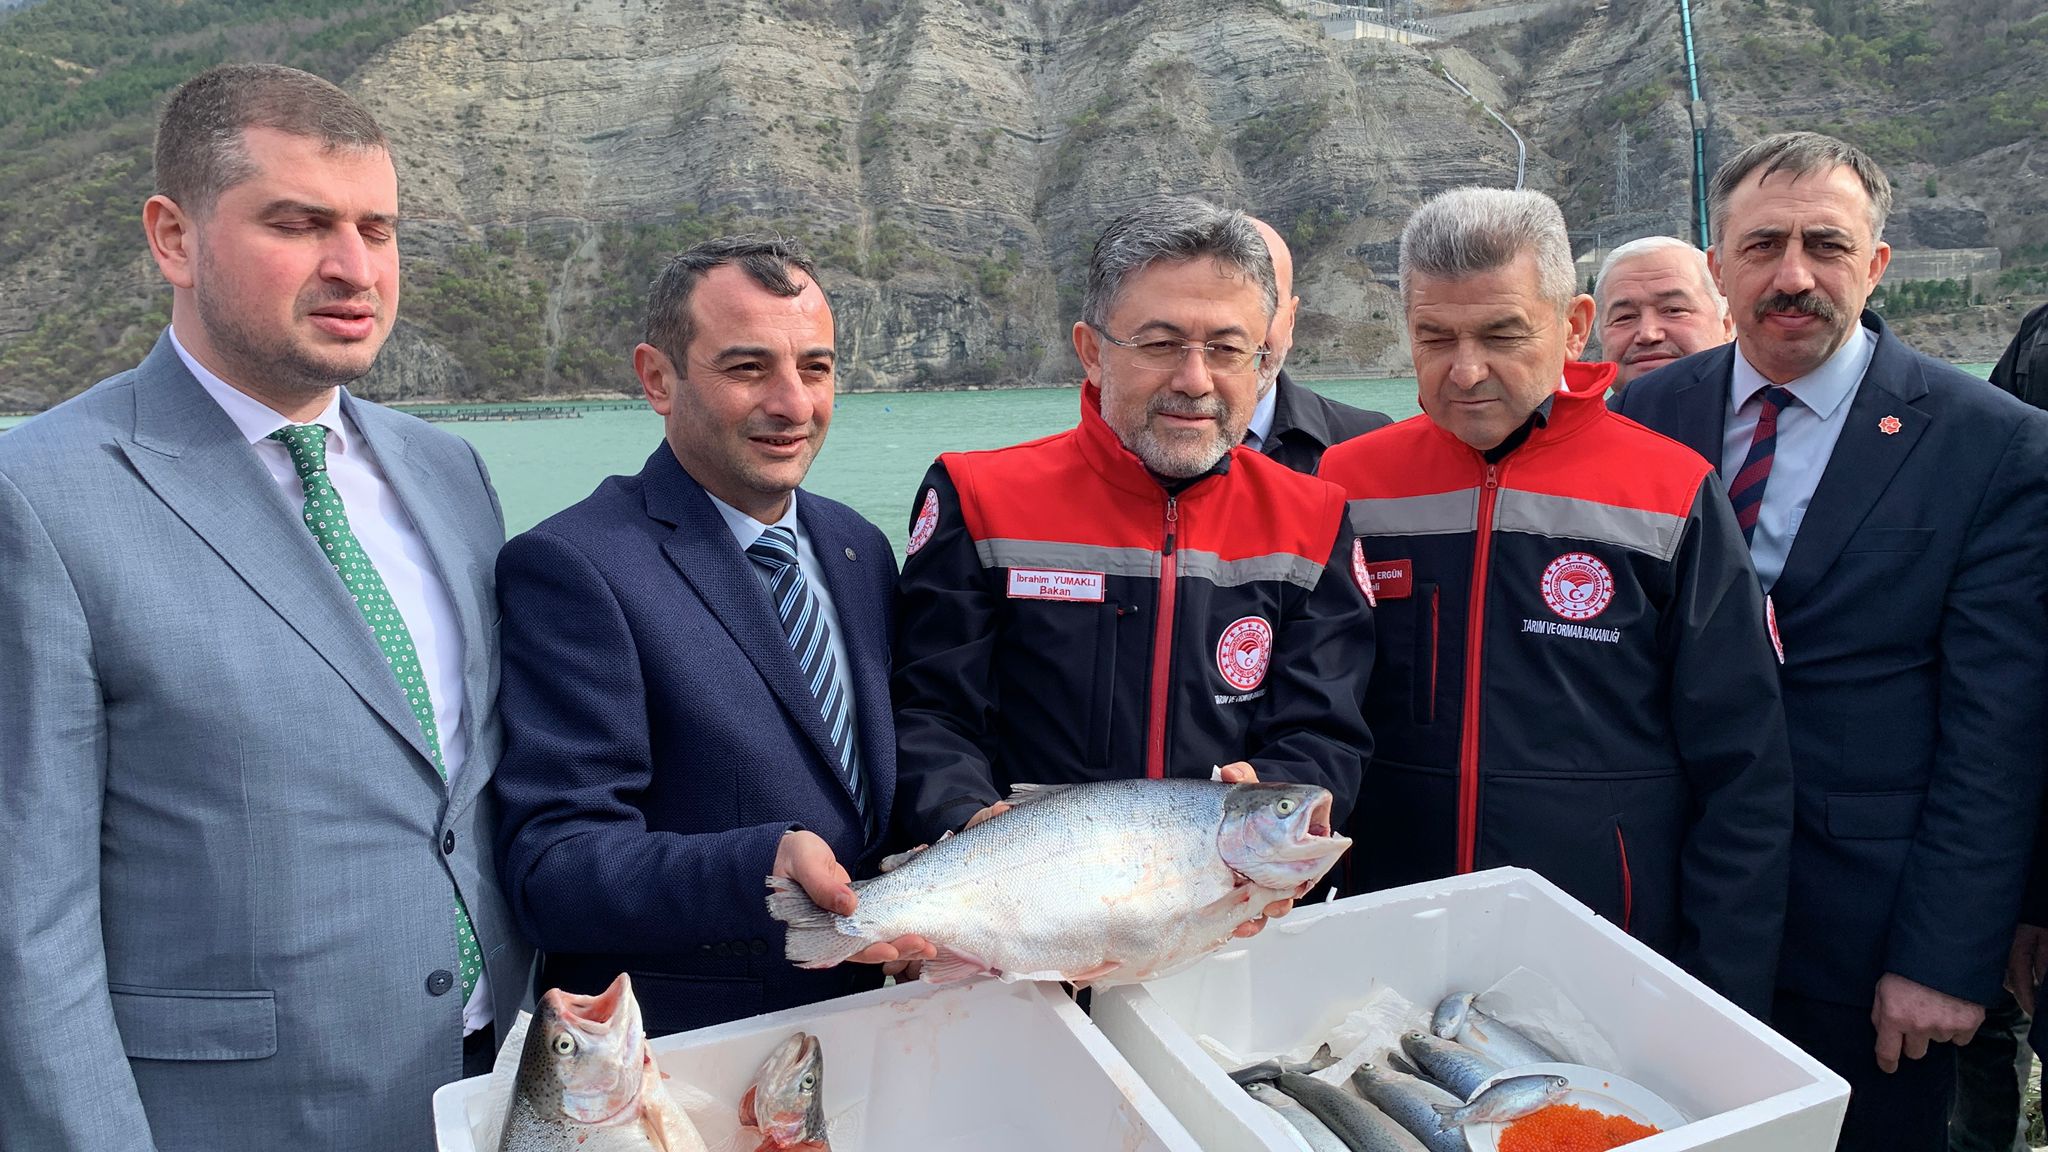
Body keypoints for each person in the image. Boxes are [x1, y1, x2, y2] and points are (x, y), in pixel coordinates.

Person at [0, 64, 532, 1150]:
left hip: (495, 1092)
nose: (354, 268)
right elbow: (26, 919)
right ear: (172, 237)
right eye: (298, 223)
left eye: (378, 230)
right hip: (235, 1118)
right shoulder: (39, 498)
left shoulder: (449, 473)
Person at [1613, 131, 2048, 1152]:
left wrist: (1943, 959)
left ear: (1876, 261)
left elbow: (1996, 729)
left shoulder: (1988, 443)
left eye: (1825, 244)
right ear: (1716, 267)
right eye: (1761, 247)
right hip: (1669, 916)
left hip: (1865, 947)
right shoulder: (1646, 412)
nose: (1792, 275)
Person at [1317, 187, 1793, 1018]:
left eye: (1502, 334)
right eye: (1435, 337)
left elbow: (1744, 764)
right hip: (1385, 936)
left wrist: (1722, 990)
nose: (1465, 371)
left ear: (1572, 325)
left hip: (1604, 944)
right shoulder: (1349, 484)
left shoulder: (1669, 489)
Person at [492, 237, 930, 1036]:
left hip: (883, 1021)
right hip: (699, 1050)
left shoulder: (858, 547)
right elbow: (553, 869)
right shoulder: (574, 566)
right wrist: (758, 865)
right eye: (747, 368)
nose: (794, 404)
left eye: (817, 368)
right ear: (658, 378)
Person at [890, 198, 1373, 915]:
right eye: (1159, 343)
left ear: (1263, 359)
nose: (1196, 379)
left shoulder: (1315, 519)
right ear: (1091, 350)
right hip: (1025, 906)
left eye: (1228, 348)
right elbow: (929, 711)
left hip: (1223, 910)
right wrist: (963, 817)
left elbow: (1325, 728)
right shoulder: (978, 495)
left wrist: (1274, 792)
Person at [1241, 216, 1392, 471]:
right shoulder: (1150, 448)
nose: (1239, 333)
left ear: (1291, 319)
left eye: (1267, 303)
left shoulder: (1370, 443)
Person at [1591, 235, 1733, 389]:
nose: (1648, 334)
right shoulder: (1571, 413)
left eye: (1674, 310)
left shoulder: (1758, 411)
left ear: (1727, 324)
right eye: (1625, 317)